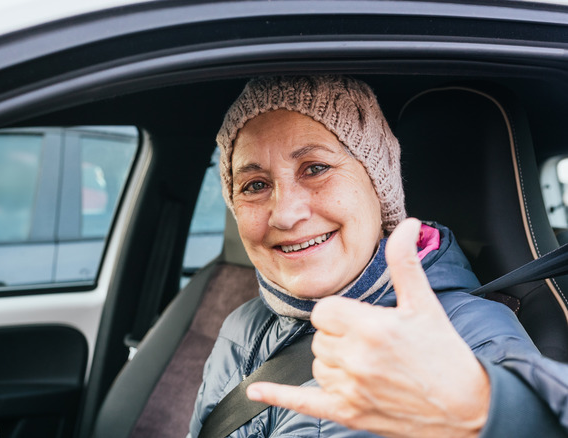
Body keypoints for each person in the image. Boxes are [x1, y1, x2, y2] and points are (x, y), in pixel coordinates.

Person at [188, 75, 567, 437]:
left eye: (315, 168)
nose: (286, 214)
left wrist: (488, 411)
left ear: (378, 185)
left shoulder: (469, 335)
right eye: (255, 185)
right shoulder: (242, 323)